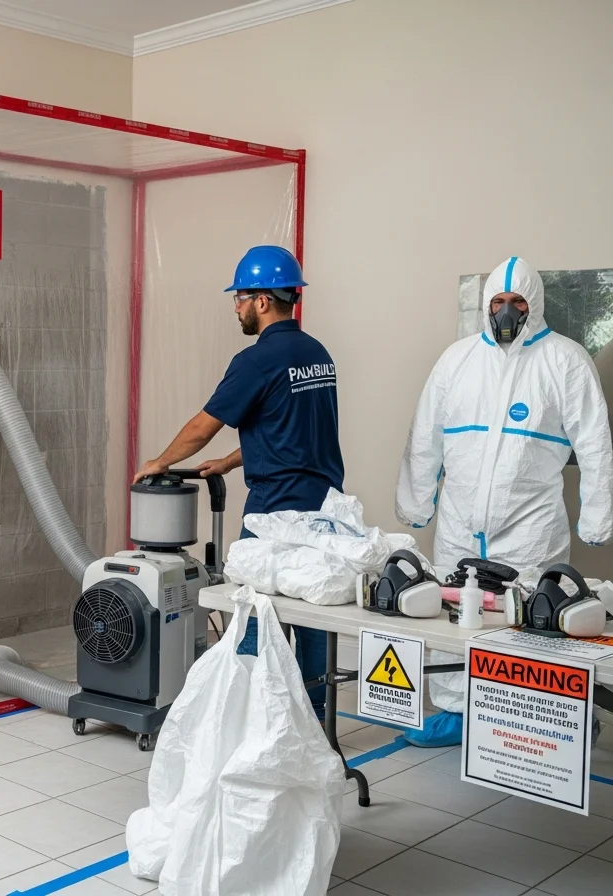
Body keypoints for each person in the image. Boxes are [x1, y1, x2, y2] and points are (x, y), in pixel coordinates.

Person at [396, 256, 613, 747]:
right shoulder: (457, 360)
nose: (507, 311)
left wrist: (598, 517)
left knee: (534, 620)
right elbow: (424, 436)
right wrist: (417, 503)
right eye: (498, 302)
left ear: (533, 306)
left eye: (517, 303)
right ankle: (455, 710)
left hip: (529, 524)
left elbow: (597, 444)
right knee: (454, 616)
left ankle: (549, 715)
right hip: (459, 519)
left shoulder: (565, 360)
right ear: (486, 305)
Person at [135, 245, 344, 720]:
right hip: (323, 512)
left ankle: (252, 718)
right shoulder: (317, 354)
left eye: (241, 297)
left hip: (275, 512)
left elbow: (202, 426)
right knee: (310, 617)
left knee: (253, 614)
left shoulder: (256, 360)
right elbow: (293, 431)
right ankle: (312, 717)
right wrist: (230, 462)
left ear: (263, 300)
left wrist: (158, 461)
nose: (236, 306)